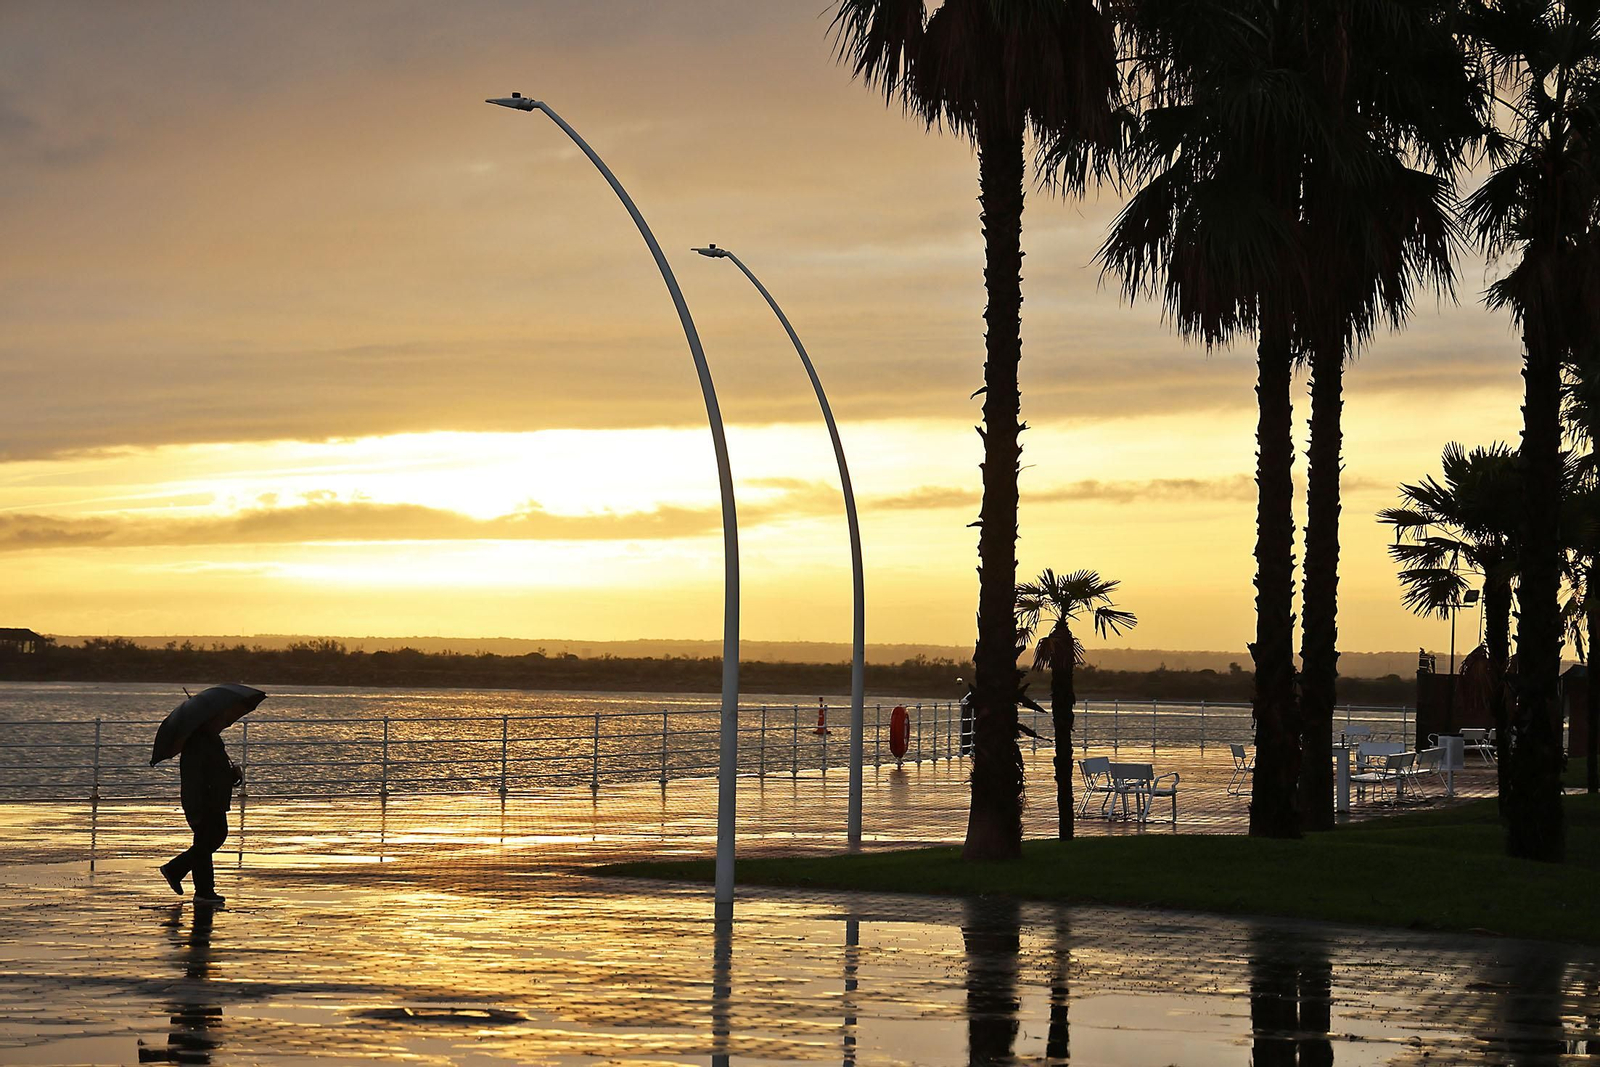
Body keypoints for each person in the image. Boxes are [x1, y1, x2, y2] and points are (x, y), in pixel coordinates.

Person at [159, 721, 242, 905]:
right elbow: (199, 776)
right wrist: (196, 805)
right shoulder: (199, 743)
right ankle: (176, 869)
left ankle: (204, 890)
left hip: (212, 799)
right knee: (214, 837)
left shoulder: (210, 740)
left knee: (205, 842)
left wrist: (231, 776)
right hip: (207, 801)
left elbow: (215, 772)